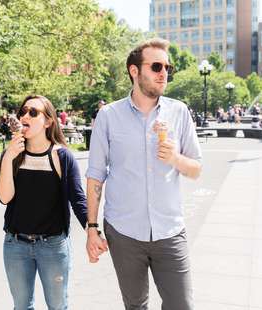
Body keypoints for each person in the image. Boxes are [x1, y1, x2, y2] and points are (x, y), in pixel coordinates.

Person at [85, 38, 202, 310]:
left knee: (182, 305)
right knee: (135, 306)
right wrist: (92, 229)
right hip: (124, 232)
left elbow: (196, 169)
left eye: (167, 68)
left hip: (169, 230)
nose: (164, 73)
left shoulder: (179, 112)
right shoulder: (109, 116)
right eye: (157, 66)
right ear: (134, 71)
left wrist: (175, 158)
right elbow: (95, 175)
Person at [0, 95, 87, 310]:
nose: (25, 116)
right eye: (23, 111)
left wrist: (94, 231)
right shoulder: (12, 155)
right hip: (16, 245)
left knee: (58, 306)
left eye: (33, 112)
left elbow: (78, 200)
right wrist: (8, 158)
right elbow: (4, 197)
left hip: (53, 246)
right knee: (22, 306)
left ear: (48, 121)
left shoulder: (62, 156)